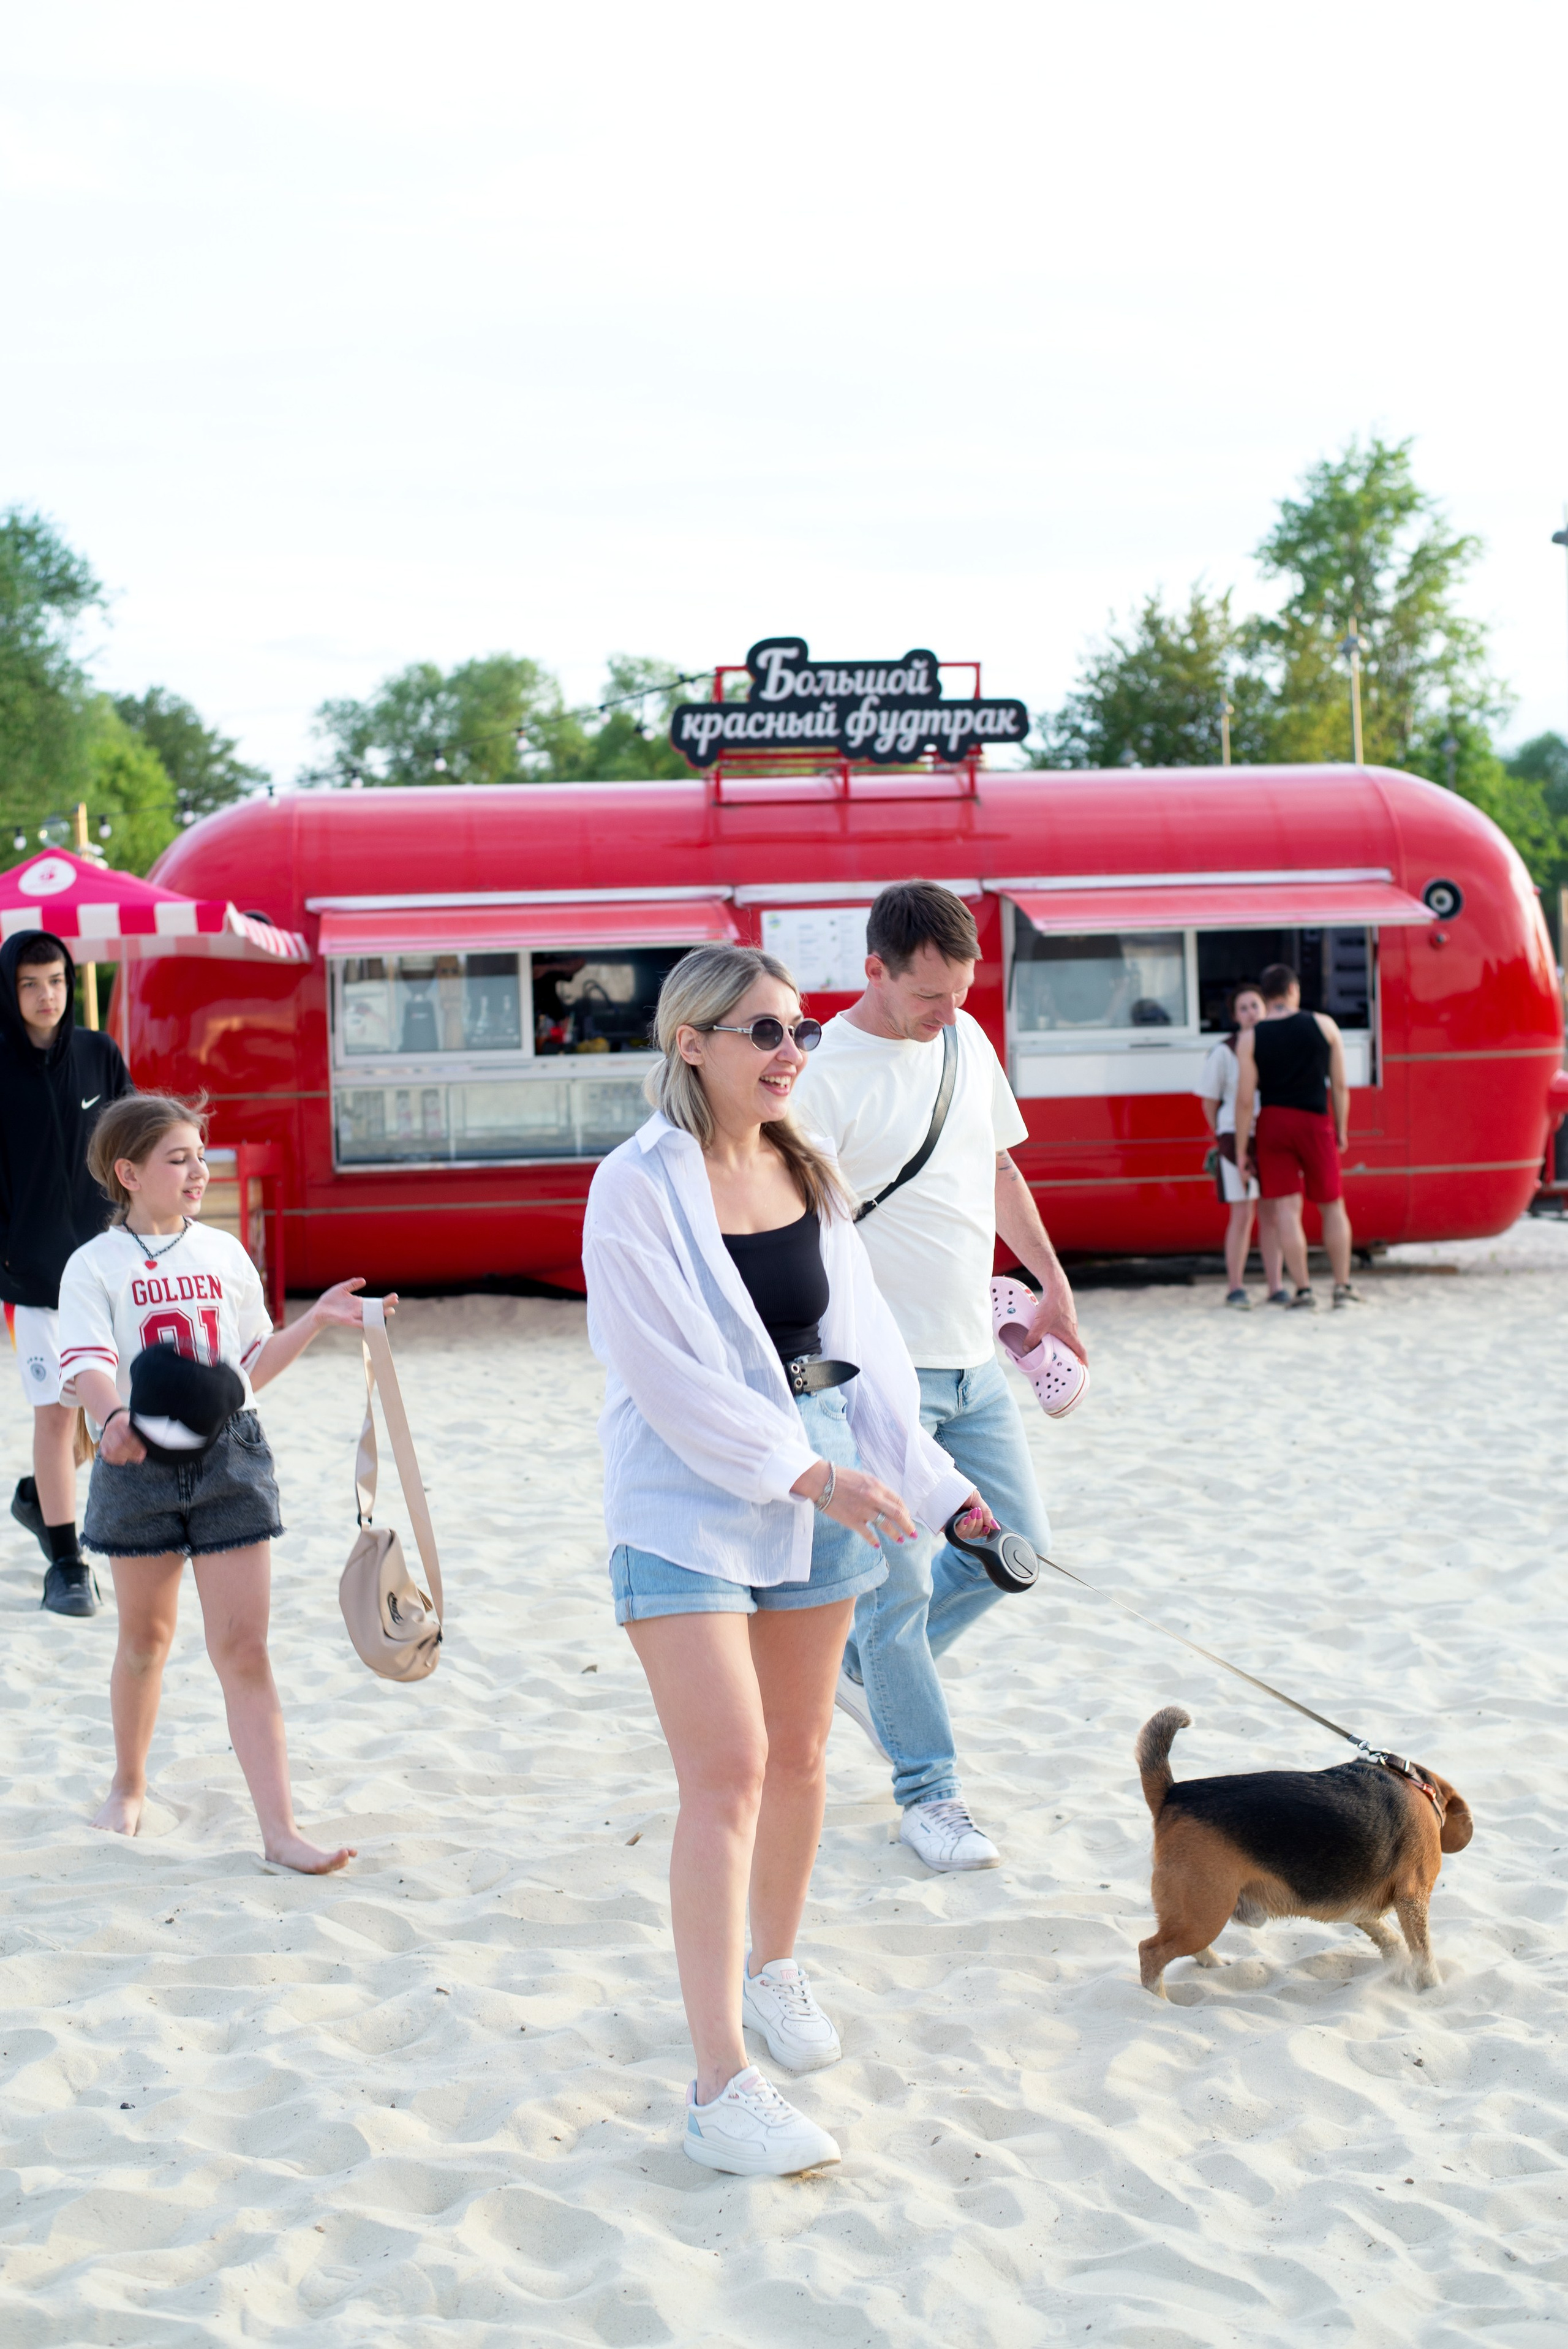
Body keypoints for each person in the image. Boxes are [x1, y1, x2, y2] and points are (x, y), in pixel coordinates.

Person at [583, 943, 992, 2177]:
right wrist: (810, 1475)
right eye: (762, 1031)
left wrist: (946, 1495)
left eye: (799, 1030)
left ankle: (774, 1967)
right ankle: (719, 2086)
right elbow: (668, 1379)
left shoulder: (805, 1167)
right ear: (691, 1042)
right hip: (685, 1496)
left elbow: (863, 1359)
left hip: (824, 1471)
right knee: (729, 1771)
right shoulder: (635, 1185)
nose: (790, 1052)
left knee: (804, 1755)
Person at [790, 881, 1083, 1873]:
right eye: (929, 996)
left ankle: (862, 1669)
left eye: (961, 992)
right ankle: (930, 1795)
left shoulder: (965, 1041)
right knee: (898, 1585)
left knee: (1019, 1548)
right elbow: (794, 1235)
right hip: (877, 1373)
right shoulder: (819, 1077)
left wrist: (1052, 1283)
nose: (949, 1012)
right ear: (874, 970)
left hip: (974, 1359)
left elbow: (998, 1169)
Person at [59, 1090, 390, 1872]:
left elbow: (249, 1368)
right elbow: (88, 1365)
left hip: (231, 1458)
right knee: (145, 1641)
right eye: (178, 1159)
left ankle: (280, 1831)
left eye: (201, 1156)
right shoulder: (93, 1265)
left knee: (244, 1648)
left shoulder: (224, 1252)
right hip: (135, 1460)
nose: (199, 1171)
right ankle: (128, 1785)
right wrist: (112, 1420)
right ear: (128, 1172)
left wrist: (314, 1320)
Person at [0, 929, 133, 1615]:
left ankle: (38, 1496)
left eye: (55, 981)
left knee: (112, 1412)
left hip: (110, 1270)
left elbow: (133, 1143)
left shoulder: (98, 1053)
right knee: (55, 1416)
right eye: (29, 984)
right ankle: (67, 1564)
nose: (45, 995)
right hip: (33, 1279)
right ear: (10, 990)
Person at [1232, 962, 1363, 1310]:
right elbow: (1340, 1085)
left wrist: (1243, 1149)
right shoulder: (1324, 1025)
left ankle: (1303, 1290)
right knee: (1332, 1205)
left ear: (1266, 996)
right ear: (1293, 990)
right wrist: (1342, 1128)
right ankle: (1342, 1287)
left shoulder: (1250, 1037)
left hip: (1274, 1123)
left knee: (1287, 1211)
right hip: (1315, 1122)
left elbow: (1245, 1100)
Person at [1198, 983, 1286, 1308]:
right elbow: (1210, 1100)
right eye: (1244, 1008)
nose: (1251, 1013)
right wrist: (1224, 1136)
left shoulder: (1277, 1044)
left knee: (1272, 1214)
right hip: (1234, 1135)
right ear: (1235, 1016)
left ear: (1266, 1007)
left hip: (1270, 1135)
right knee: (1242, 1214)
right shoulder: (1224, 1051)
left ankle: (1276, 1286)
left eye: (1255, 1006)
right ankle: (1235, 1287)